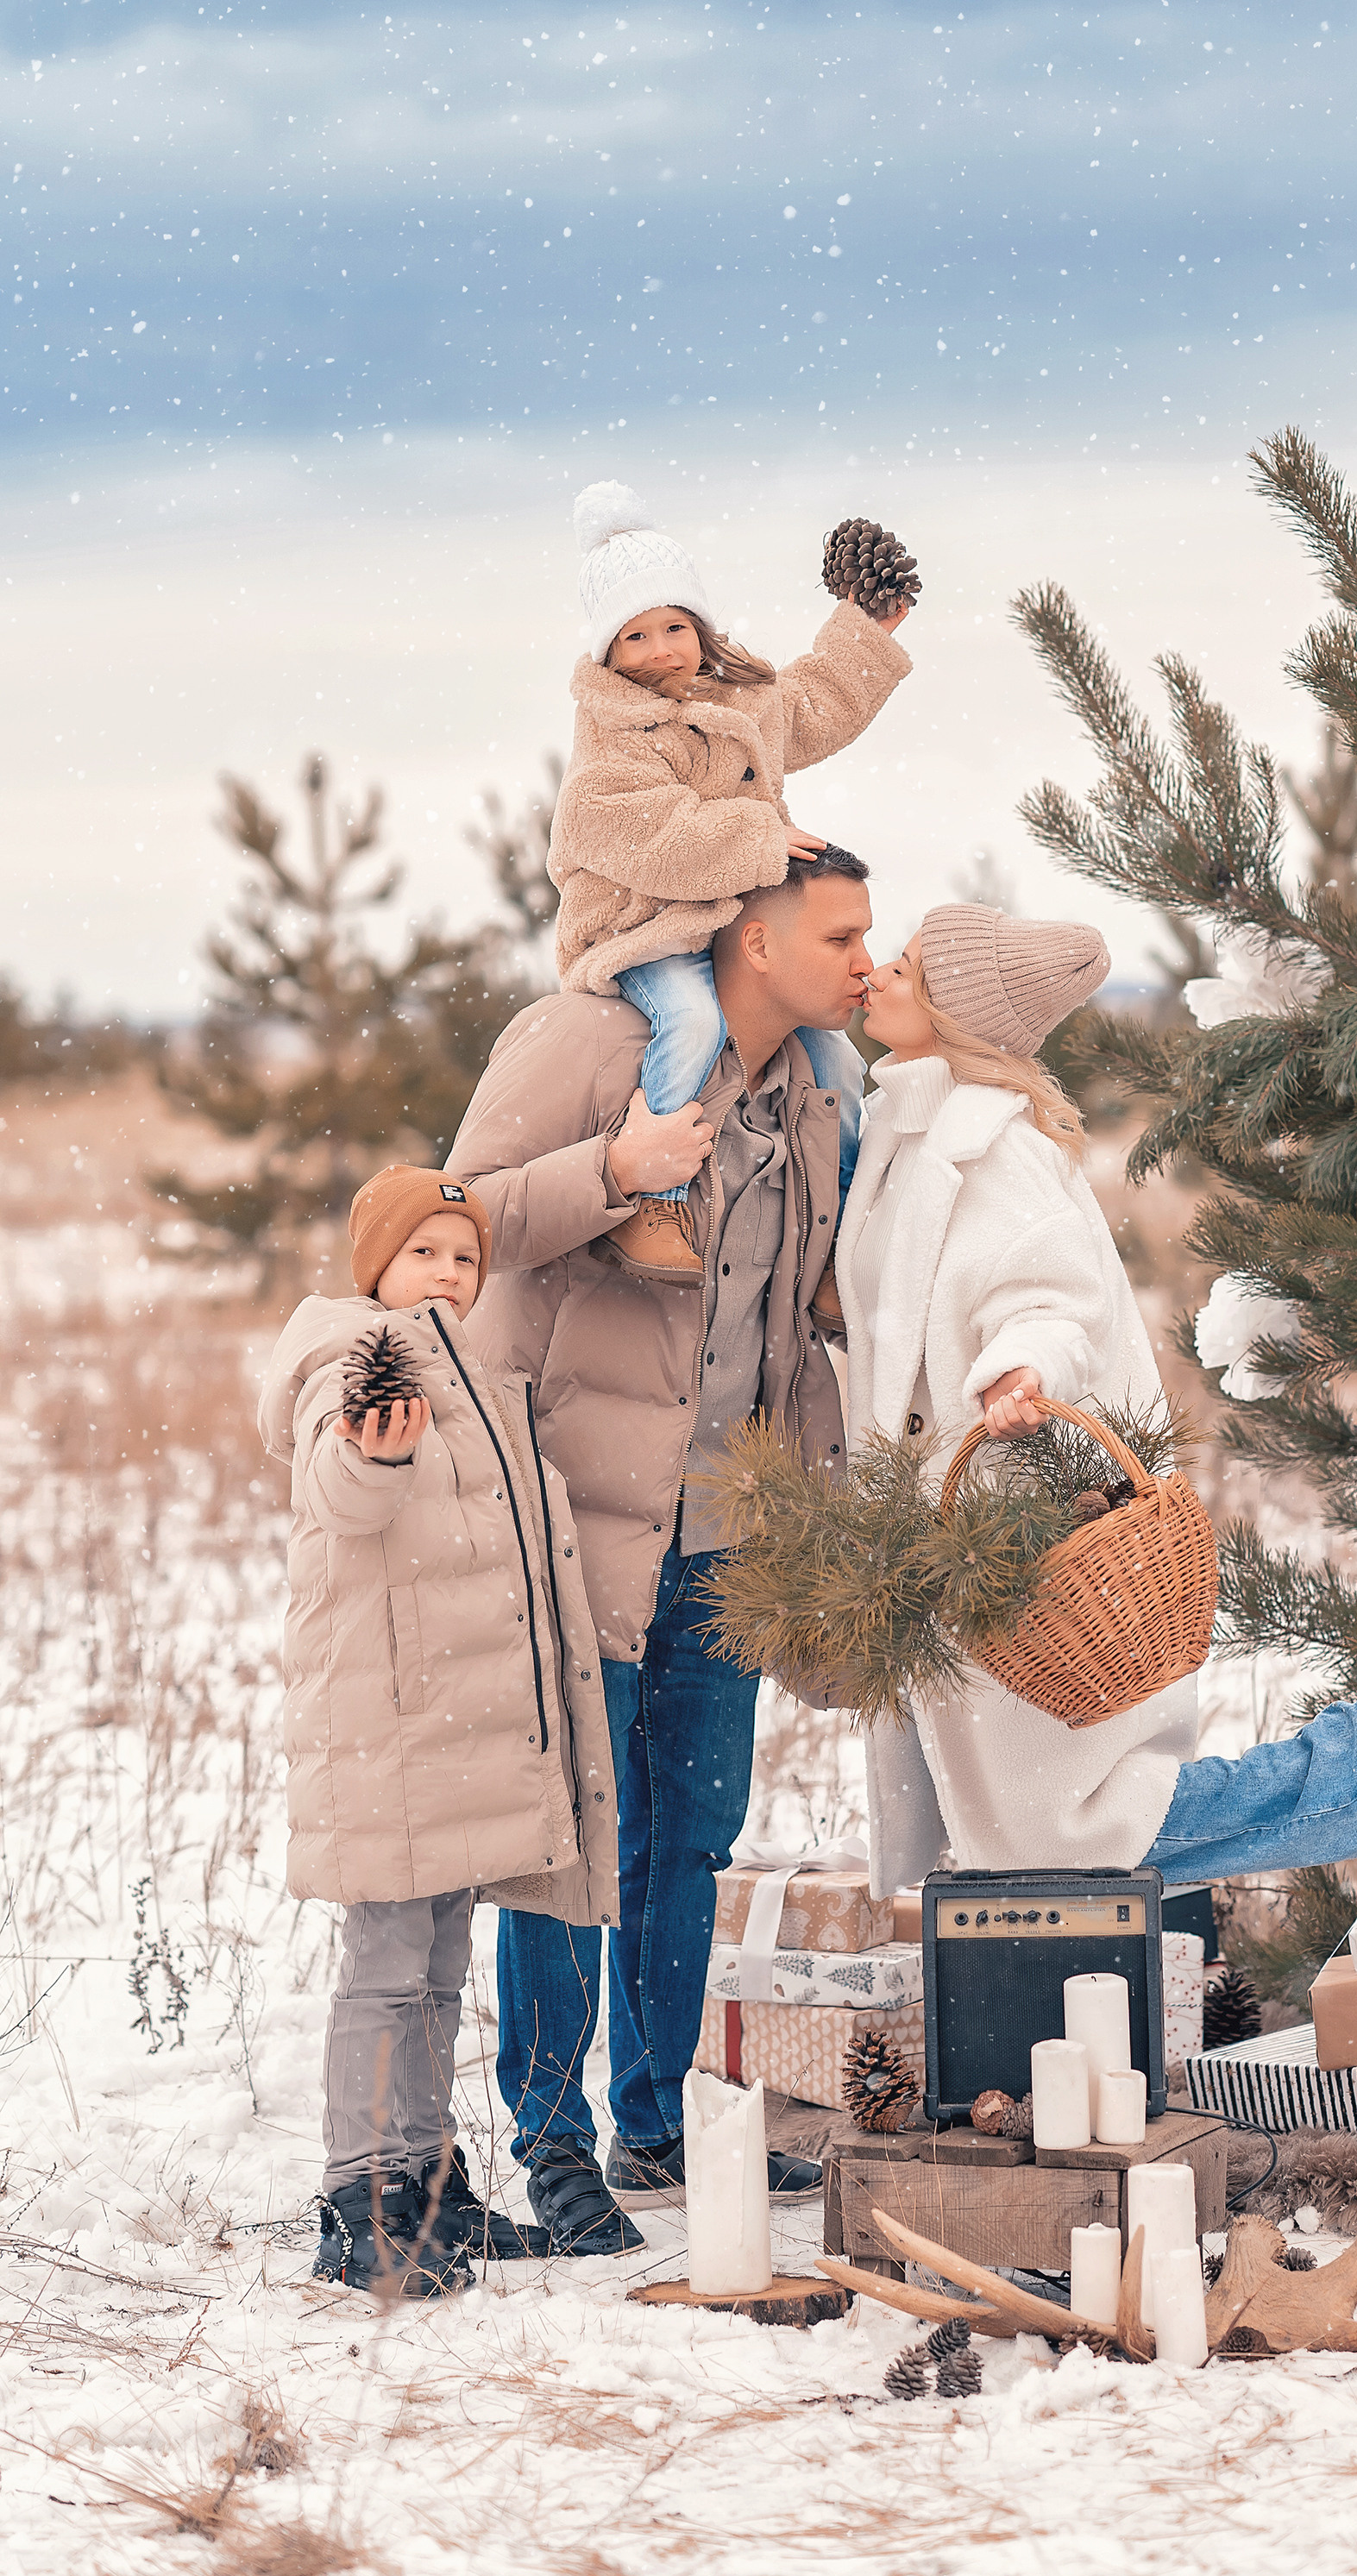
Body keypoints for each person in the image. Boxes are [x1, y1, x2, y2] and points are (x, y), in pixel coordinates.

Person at [845, 906, 1357, 1894]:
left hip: (1015, 1530)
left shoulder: (990, 1147)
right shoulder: (908, 1132)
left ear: (953, 1012)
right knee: (1042, 1839)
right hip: (956, 1534)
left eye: (904, 966)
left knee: (1072, 1829)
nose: (879, 974)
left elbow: (1049, 1295)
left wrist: (1019, 1366)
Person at [447, 845, 877, 2229]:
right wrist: (613, 1169)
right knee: (576, 1836)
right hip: (577, 1516)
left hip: (731, 1530)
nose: (865, 961)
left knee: (691, 1834)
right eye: (842, 936)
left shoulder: (814, 1091)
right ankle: (553, 2144)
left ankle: (654, 2125)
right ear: (756, 942)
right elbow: (459, 1223)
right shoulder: (585, 1039)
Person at [257, 1165, 635, 2296]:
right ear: (377, 1265)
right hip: (389, 1726)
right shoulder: (352, 1361)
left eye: (465, 1256)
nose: (449, 1273)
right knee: (385, 1970)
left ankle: (425, 2186)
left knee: (435, 1970)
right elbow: (341, 1485)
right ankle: (360, 2203)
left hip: (450, 1731)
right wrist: (374, 1454)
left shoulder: (474, 1376)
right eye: (423, 1252)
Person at [550, 478, 911, 1291]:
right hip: (641, 929)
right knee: (691, 1019)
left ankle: (839, 1237)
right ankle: (658, 1203)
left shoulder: (734, 702)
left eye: (675, 627)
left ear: (701, 628)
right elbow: (651, 833)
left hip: (730, 923)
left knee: (835, 1059)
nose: (660, 650)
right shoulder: (611, 739)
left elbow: (810, 706)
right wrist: (759, 838)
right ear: (608, 651)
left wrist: (865, 632)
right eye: (636, 635)